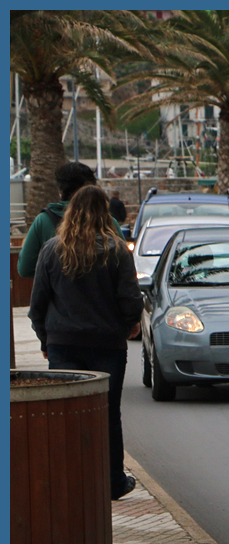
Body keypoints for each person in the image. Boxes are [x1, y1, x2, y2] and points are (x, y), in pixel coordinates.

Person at [28, 185, 144, 501]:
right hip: (108, 345)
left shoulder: (51, 250)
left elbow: (37, 304)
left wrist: (45, 339)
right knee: (108, 414)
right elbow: (131, 301)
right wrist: (128, 324)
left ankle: (67, 480)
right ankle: (112, 482)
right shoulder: (117, 250)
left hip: (64, 345)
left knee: (65, 415)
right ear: (105, 214)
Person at [18, 162, 123, 278]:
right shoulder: (108, 222)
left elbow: (25, 269)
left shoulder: (43, 221)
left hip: (61, 294)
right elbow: (125, 265)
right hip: (104, 294)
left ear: (61, 191)